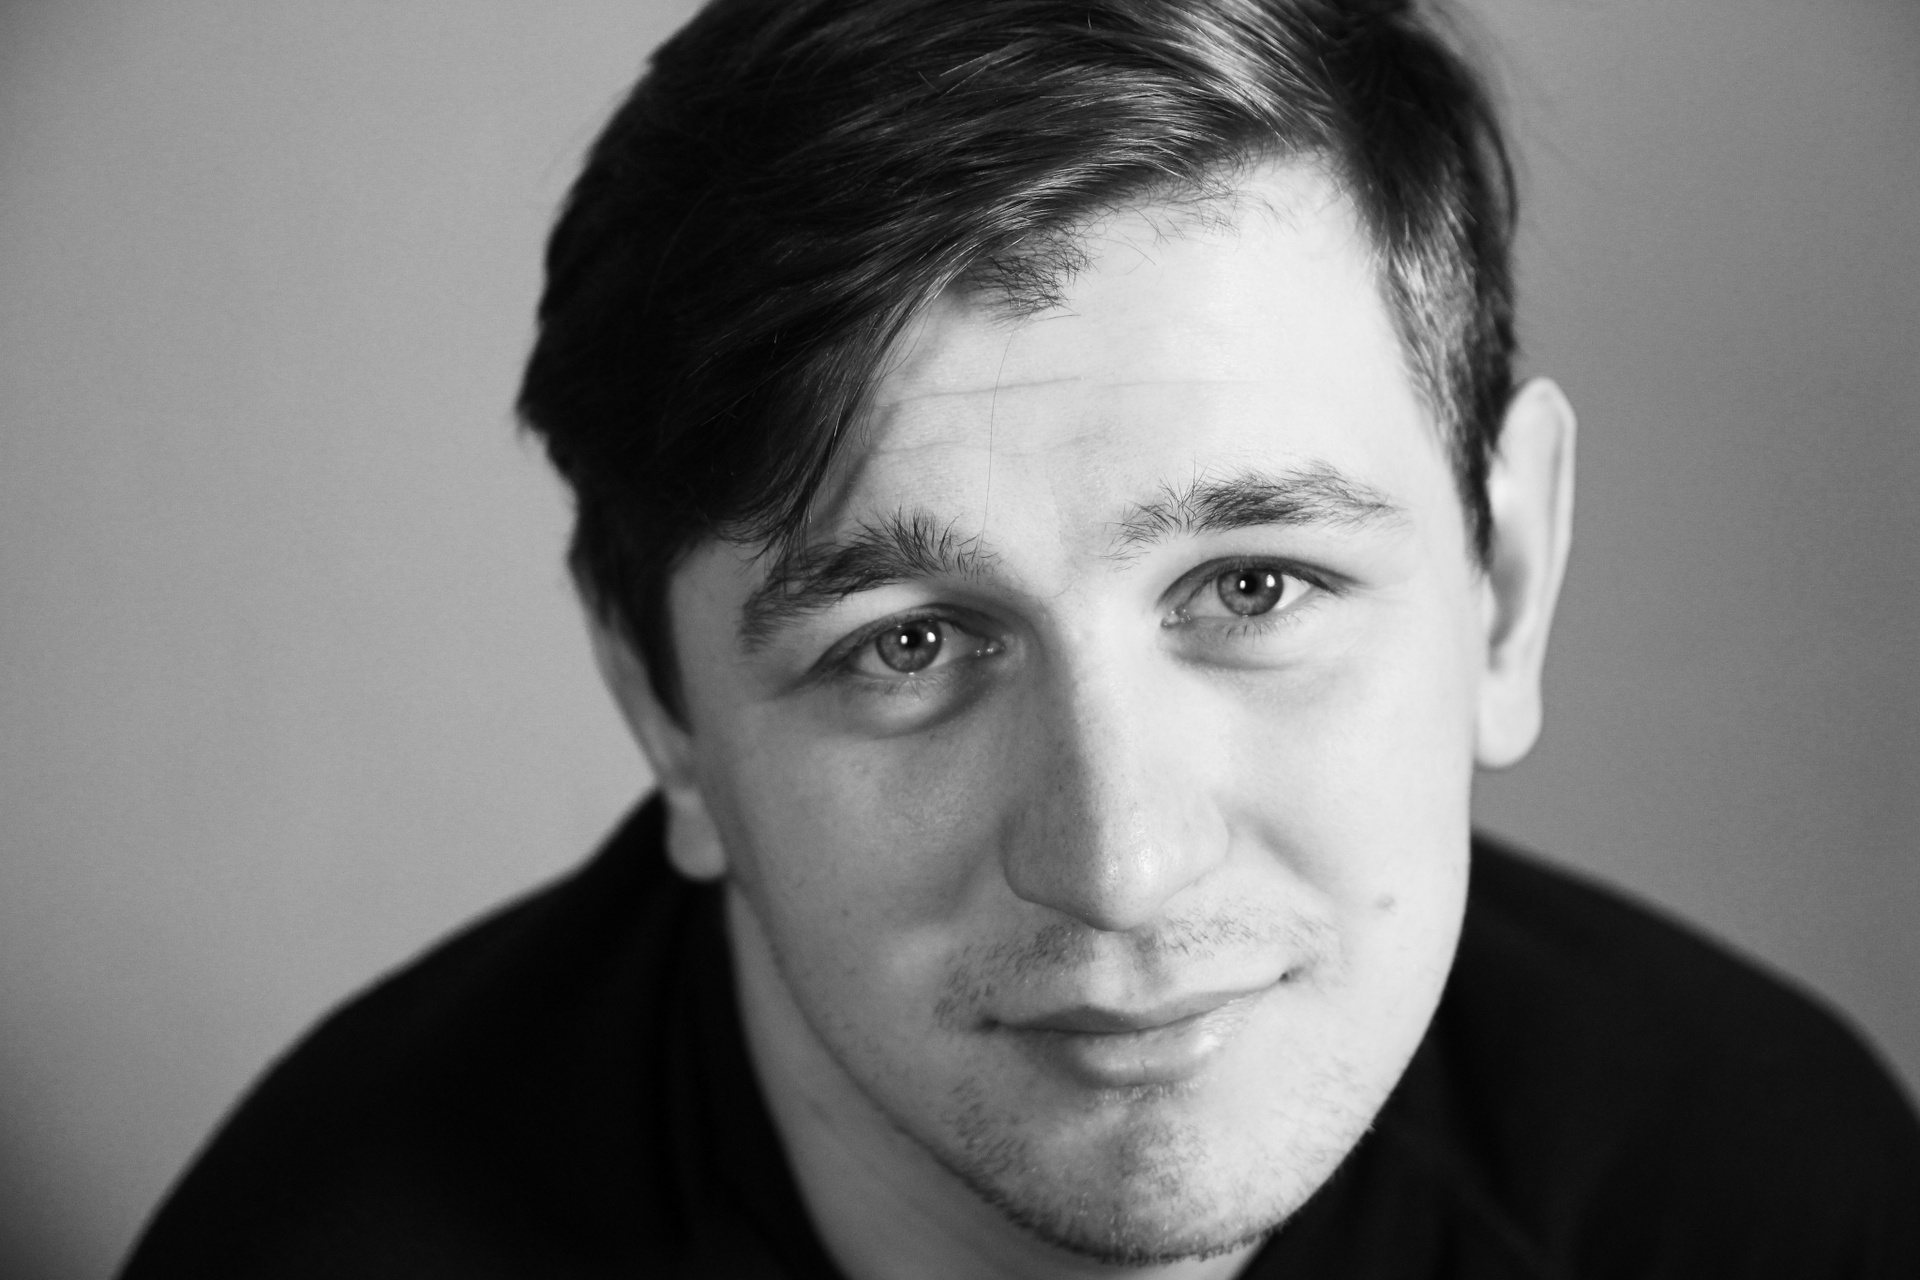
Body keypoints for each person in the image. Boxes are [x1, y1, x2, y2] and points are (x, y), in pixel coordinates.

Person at [120, 0, 1920, 1276]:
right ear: (663, 711)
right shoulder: (321, 1244)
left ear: (1505, 584)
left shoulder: (1761, 1202)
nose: (1120, 867)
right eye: (905, 645)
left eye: (1254, 586)